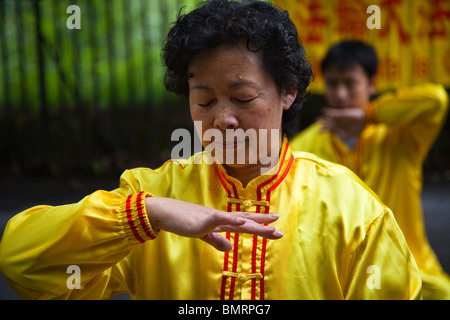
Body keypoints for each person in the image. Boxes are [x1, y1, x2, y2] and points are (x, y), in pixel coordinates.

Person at [0, 0, 421, 300]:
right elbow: (22, 263)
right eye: (203, 100)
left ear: (288, 91)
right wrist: (146, 215)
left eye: (242, 98)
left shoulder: (352, 208)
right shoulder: (152, 193)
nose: (221, 119)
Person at [290, 40, 450, 299]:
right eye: (332, 83)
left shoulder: (399, 136)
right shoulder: (306, 146)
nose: (340, 94)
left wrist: (369, 115)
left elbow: (437, 100)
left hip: (413, 267)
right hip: (338, 273)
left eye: (350, 83)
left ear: (372, 83)